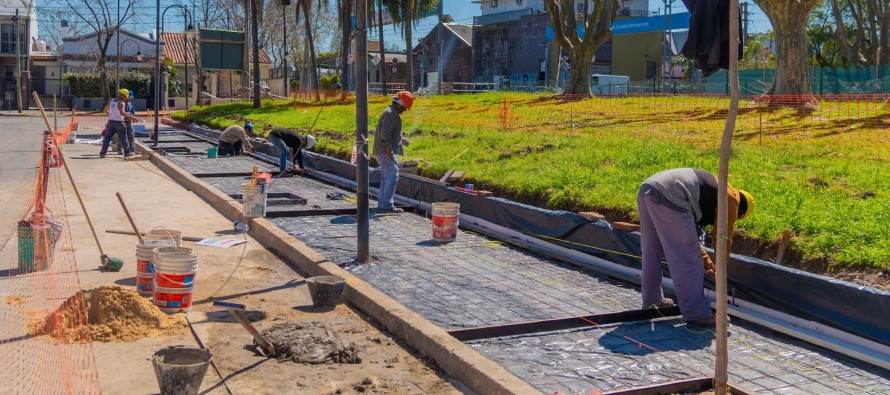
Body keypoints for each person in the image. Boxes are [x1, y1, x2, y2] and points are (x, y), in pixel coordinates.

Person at [636, 168, 755, 328]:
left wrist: (706, 259)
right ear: (741, 212)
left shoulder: (714, 190)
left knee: (652, 252)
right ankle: (697, 313)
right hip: (670, 195)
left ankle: (652, 301)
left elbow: (689, 236)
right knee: (688, 260)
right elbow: (722, 237)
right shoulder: (732, 200)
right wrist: (721, 266)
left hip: (648, 189)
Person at [371, 91, 414, 213]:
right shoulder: (392, 114)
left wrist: (400, 140)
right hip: (385, 151)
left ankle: (382, 205)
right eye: (405, 107)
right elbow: (385, 133)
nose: (405, 110)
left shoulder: (390, 111)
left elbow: (388, 131)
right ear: (400, 104)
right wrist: (389, 148)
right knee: (392, 176)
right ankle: (386, 206)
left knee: (386, 177)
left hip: (382, 150)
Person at [100, 89, 139, 158]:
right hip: (119, 123)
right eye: (126, 97)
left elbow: (105, 110)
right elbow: (122, 113)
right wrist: (132, 118)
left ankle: (103, 153)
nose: (126, 98)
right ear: (122, 95)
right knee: (124, 138)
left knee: (107, 138)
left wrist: (112, 115)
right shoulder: (122, 103)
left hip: (111, 122)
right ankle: (127, 153)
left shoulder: (111, 101)